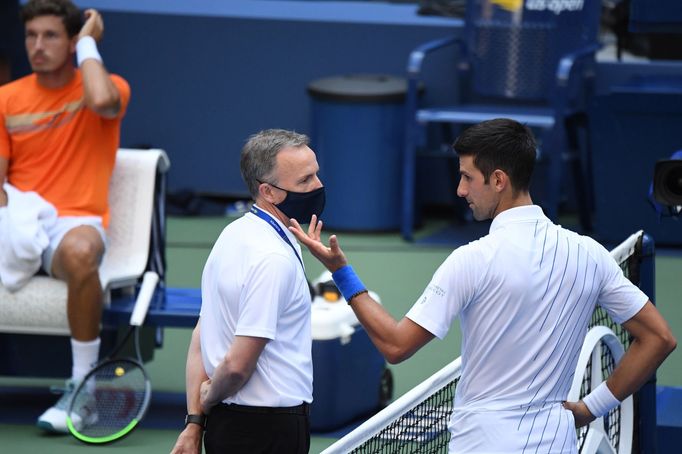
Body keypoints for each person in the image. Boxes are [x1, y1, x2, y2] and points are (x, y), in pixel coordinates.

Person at [290, 118, 677, 453]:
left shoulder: (471, 260)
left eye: (466, 177)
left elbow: (395, 345)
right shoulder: (591, 254)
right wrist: (592, 408)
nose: (460, 190)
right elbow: (659, 338)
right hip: (557, 441)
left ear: (498, 180)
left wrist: (342, 272)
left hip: (482, 443)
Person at [0, 0, 130, 433]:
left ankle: (82, 388)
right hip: (15, 221)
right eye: (31, 36)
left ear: (74, 41)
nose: (37, 46)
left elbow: (102, 100)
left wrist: (89, 45)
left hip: (73, 225)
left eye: (51, 35)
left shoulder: (110, 87)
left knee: (80, 250)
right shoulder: (6, 99)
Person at [170, 129, 324, 454]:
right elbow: (238, 365)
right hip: (268, 433)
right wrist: (209, 397)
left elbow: (203, 333)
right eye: (305, 180)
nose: (318, 186)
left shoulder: (232, 235)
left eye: (316, 174)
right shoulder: (272, 258)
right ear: (269, 191)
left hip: (227, 428)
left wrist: (195, 421)